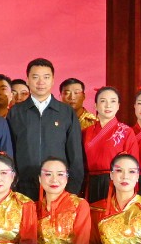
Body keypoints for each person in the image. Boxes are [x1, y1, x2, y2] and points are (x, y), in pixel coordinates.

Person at [7, 57, 84, 199]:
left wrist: (72, 191)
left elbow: (76, 155)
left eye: (46, 77)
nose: (41, 82)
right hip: (22, 190)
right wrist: (12, 186)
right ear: (27, 80)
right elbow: (9, 152)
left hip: (58, 189)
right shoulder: (16, 112)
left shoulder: (66, 112)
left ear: (53, 80)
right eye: (35, 77)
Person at [81, 87, 140, 201]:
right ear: (95, 106)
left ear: (118, 106)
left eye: (113, 101)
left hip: (116, 183)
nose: (108, 105)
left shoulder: (126, 132)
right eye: (103, 101)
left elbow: (132, 164)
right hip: (91, 183)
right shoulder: (86, 132)